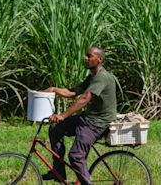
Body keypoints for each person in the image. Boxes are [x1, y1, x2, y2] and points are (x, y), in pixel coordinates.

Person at [41, 47, 117, 185]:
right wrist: (54, 89)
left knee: (76, 156)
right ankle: (58, 172)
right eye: (86, 56)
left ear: (99, 59)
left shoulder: (102, 77)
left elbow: (84, 98)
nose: (86, 58)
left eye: (89, 56)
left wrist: (63, 115)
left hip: (97, 123)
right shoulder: (92, 77)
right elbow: (72, 92)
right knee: (55, 127)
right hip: (88, 118)